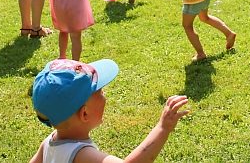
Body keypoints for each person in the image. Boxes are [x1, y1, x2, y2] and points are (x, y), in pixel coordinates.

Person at [30, 58, 189, 163]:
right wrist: (162, 127)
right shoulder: (81, 154)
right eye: (100, 92)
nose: (104, 94)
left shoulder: (49, 143)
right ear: (84, 114)